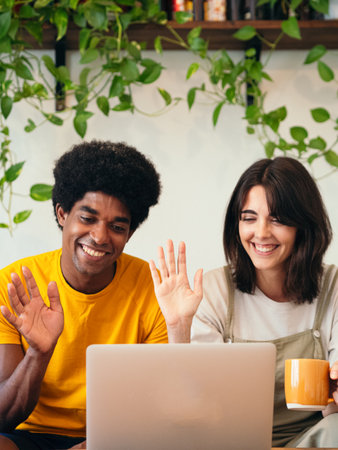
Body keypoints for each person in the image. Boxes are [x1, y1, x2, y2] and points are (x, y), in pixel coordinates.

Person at [150, 156, 338, 448]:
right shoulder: (213, 291)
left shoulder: (333, 287)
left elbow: (332, 414)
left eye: (277, 219)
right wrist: (178, 328)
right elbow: (191, 408)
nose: (261, 232)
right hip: (233, 439)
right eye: (249, 218)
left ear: (304, 224)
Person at [0, 140, 168, 450]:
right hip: (26, 436)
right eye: (87, 219)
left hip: (111, 439)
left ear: (129, 234)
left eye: (117, 226)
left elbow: (158, 404)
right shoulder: (13, 284)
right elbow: (3, 417)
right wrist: (38, 353)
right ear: (62, 213)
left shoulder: (151, 286)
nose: (100, 236)